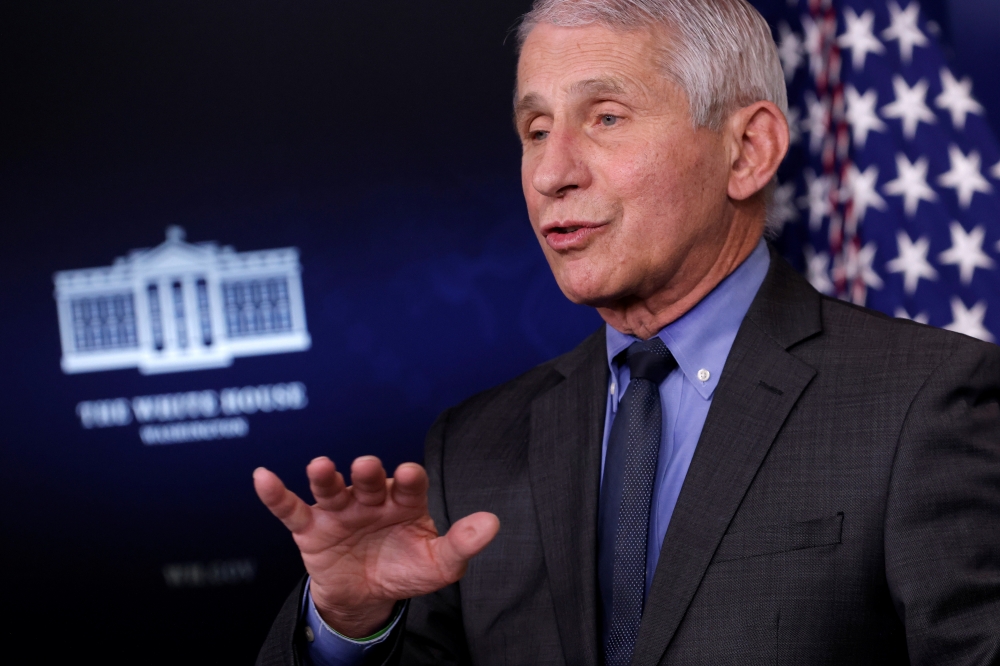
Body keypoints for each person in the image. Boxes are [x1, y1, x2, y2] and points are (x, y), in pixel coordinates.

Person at [254, 1, 1000, 664]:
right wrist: (352, 625)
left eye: (605, 117)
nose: (552, 173)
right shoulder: (472, 448)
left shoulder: (924, 404)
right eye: (535, 128)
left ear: (748, 151)